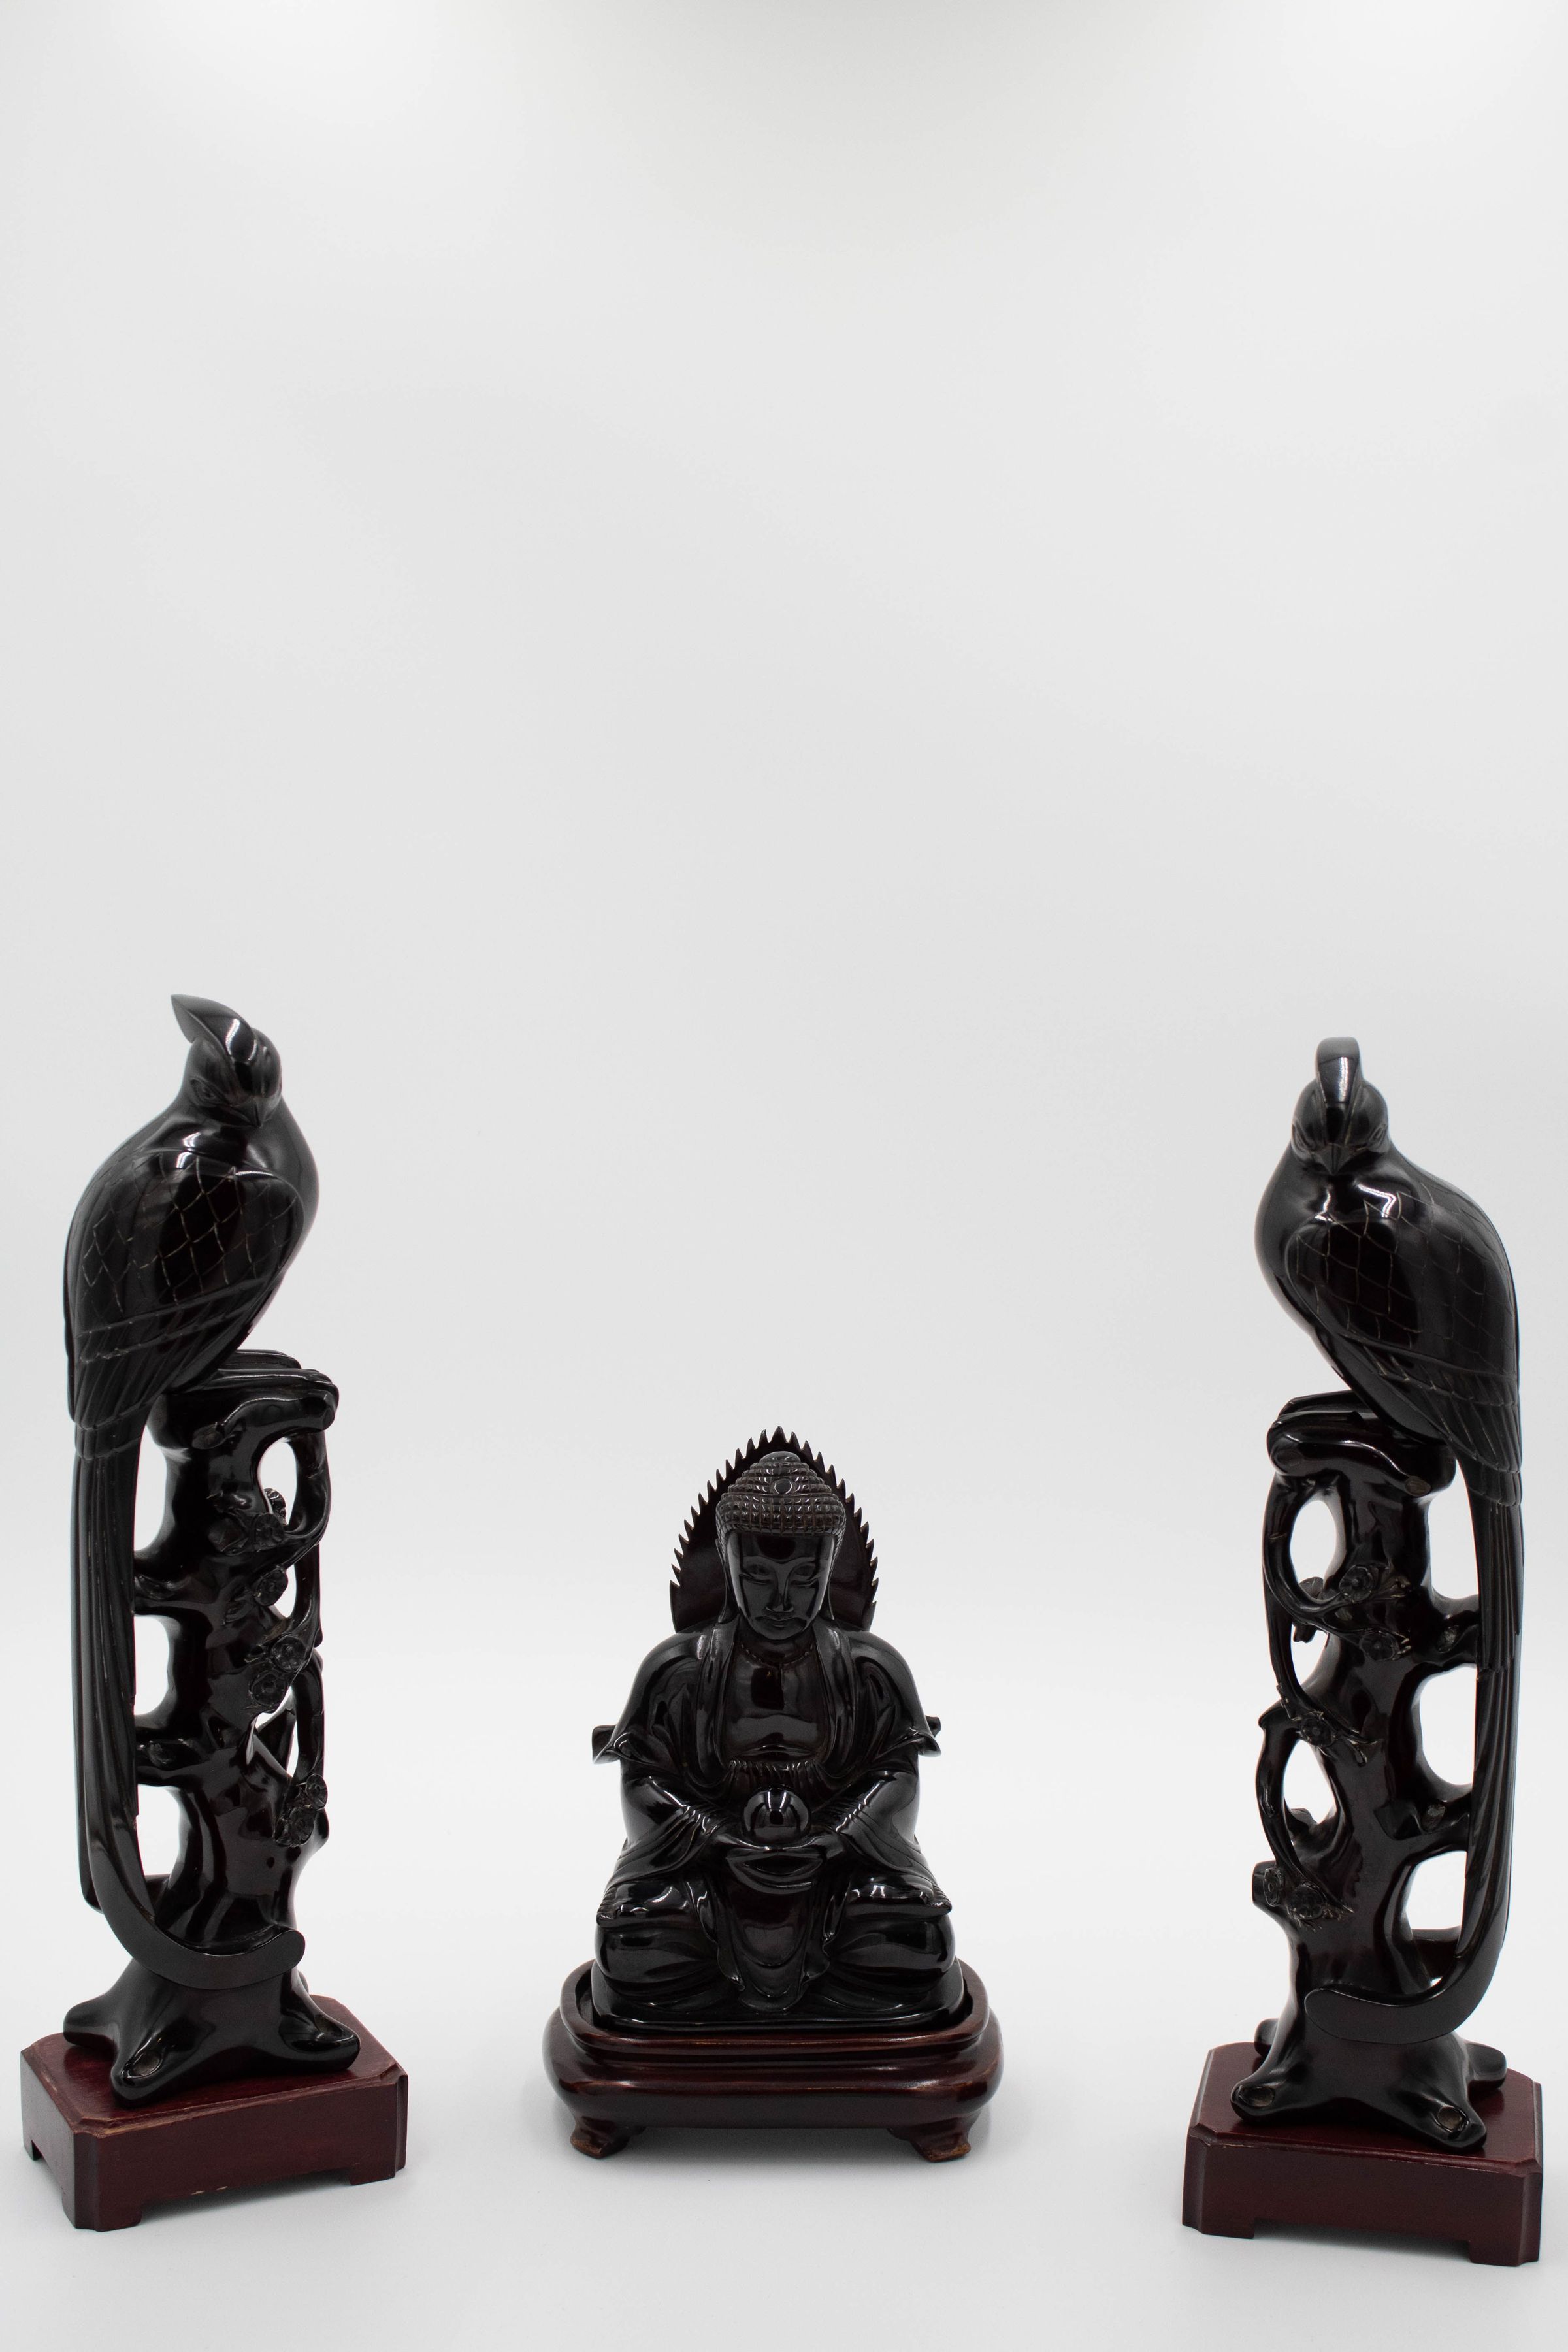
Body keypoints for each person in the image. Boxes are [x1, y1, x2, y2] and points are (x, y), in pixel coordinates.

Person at [593, 1450, 963, 2026]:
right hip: (705, 1869)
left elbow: (897, 1778)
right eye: (760, 1577)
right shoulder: (680, 1669)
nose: (783, 1602)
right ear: (728, 1562)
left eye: (805, 1578)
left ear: (831, 1566)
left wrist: (832, 1840)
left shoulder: (870, 1668)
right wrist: (718, 1840)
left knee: (919, 1938)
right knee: (632, 1941)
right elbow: (643, 1784)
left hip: (841, 1866)